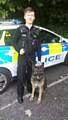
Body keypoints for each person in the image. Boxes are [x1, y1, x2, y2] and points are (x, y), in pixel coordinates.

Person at [15, 7, 42, 104]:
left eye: (32, 15)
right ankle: (19, 95)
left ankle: (31, 90)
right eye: (28, 15)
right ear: (25, 17)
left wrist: (39, 59)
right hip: (22, 57)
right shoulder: (20, 29)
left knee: (31, 75)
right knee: (20, 76)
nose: (30, 17)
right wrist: (19, 50)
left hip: (32, 57)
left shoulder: (37, 31)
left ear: (34, 17)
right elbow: (13, 42)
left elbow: (39, 47)